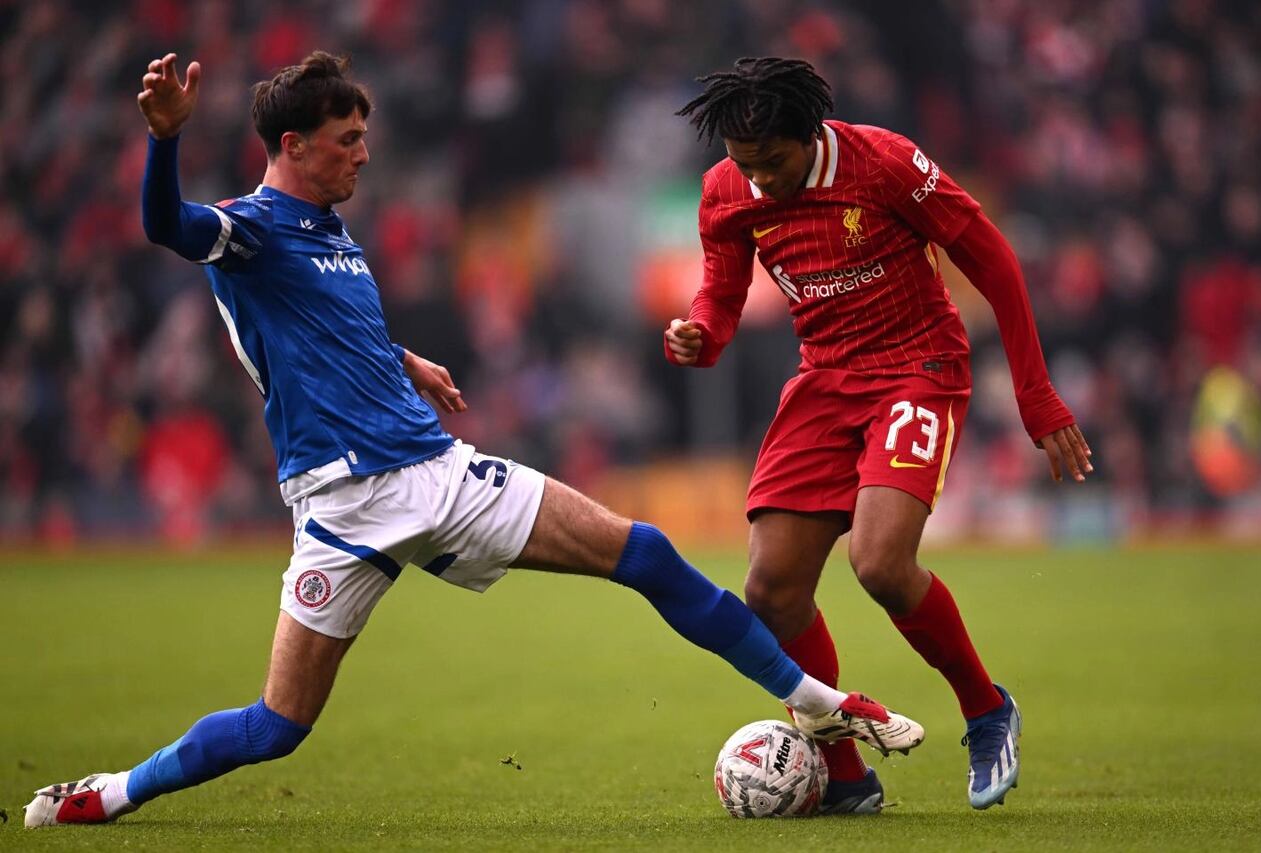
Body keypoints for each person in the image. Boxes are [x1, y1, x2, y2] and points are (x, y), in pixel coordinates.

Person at [23, 51, 924, 829]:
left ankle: (824, 705)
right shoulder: (249, 228)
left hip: (430, 471)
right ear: (292, 147)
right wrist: (164, 138)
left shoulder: (329, 232)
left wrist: (402, 359)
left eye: (363, 137)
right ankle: (104, 795)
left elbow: (321, 329)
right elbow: (164, 227)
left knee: (645, 554)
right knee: (278, 725)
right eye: (346, 140)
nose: (364, 155)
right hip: (344, 504)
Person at [665, 58, 1094, 812]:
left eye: (772, 163)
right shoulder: (727, 191)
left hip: (915, 367)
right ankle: (849, 777)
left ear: (812, 137)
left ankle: (986, 709)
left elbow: (990, 257)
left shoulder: (884, 162)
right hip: (823, 377)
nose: (758, 180)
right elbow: (722, 294)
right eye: (744, 164)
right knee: (771, 589)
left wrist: (1036, 392)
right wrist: (702, 331)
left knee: (881, 563)